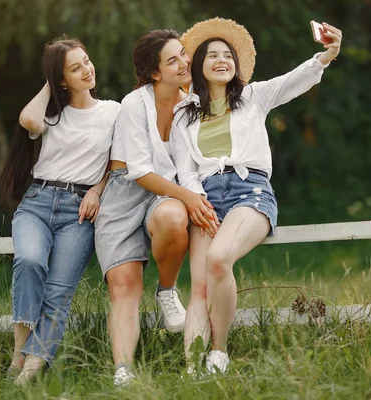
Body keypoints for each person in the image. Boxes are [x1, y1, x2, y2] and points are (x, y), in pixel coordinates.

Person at [170, 18, 342, 374]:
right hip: (204, 197)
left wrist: (326, 55)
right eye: (212, 55)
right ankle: (191, 368)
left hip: (250, 192)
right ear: (199, 66)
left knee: (218, 259)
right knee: (199, 285)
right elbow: (185, 169)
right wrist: (196, 199)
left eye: (227, 56)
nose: (222, 60)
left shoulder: (252, 97)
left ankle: (219, 353)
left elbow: (293, 81)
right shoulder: (183, 115)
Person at [94, 29, 218, 387]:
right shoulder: (136, 103)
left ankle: (166, 291)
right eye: (172, 60)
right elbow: (140, 172)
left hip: (166, 193)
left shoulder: (192, 103)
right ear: (154, 73)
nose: (184, 63)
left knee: (172, 217)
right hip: (124, 192)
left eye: (183, 54)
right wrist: (189, 196)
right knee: (124, 285)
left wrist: (191, 197)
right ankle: (124, 371)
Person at [0, 37, 120, 385]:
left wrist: (97, 189)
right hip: (37, 203)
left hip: (79, 211)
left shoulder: (113, 111)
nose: (87, 69)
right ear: (60, 80)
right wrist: (51, 84)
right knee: (29, 262)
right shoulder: (50, 114)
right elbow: (27, 119)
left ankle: (27, 376)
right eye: (75, 67)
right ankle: (20, 353)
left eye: (87, 61)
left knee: (58, 293)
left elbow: (121, 161)